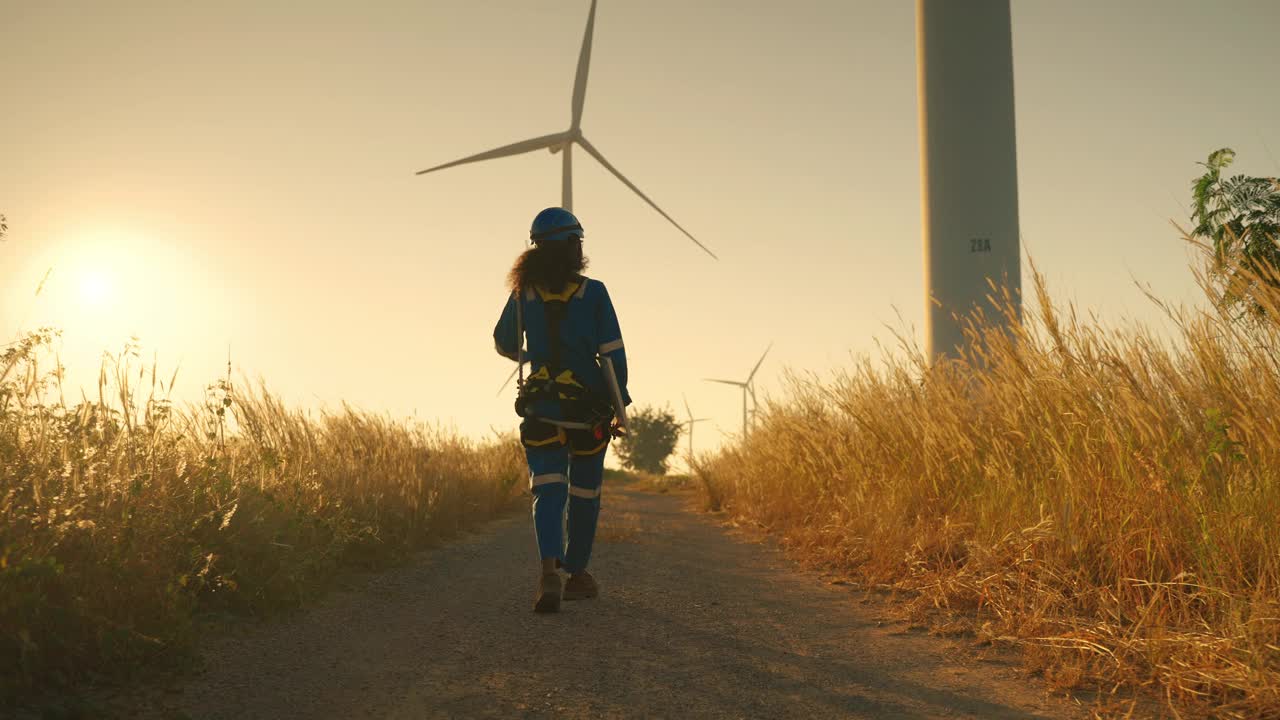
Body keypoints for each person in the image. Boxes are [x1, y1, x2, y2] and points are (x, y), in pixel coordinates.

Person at [493, 207, 630, 614]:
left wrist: (532, 354)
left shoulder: (523, 293)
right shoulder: (595, 292)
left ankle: (548, 572)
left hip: (541, 407)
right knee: (585, 494)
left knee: (547, 490)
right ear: (572, 246)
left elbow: (502, 342)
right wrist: (619, 407)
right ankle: (578, 575)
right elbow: (613, 356)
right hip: (587, 410)